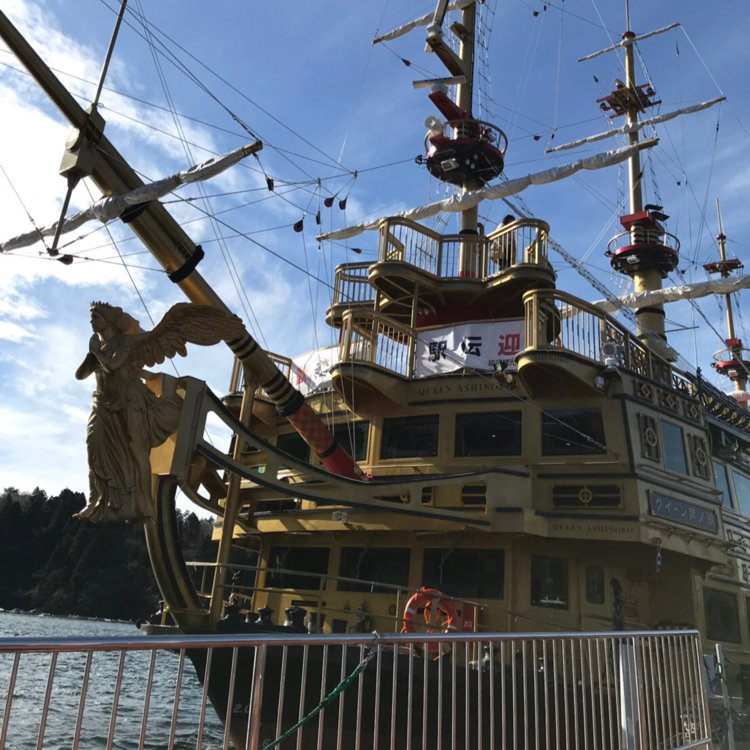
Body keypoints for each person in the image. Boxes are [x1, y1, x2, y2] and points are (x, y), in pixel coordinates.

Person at [75, 301, 245, 523]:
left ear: (109, 321)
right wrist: (92, 354)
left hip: (130, 402)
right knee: (94, 449)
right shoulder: (98, 348)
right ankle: (96, 502)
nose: (91, 321)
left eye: (96, 317)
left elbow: (113, 366)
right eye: (91, 317)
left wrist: (97, 352)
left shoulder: (127, 342)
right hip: (103, 406)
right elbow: (81, 375)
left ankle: (145, 506)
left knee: (137, 451)